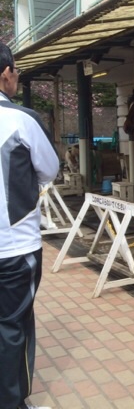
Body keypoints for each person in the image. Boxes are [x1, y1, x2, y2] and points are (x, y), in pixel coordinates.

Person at [0, 42, 59, 409]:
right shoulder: (22, 119)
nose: (17, 77)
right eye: (16, 70)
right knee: (13, 327)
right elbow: (49, 169)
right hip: (14, 247)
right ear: (5, 73)